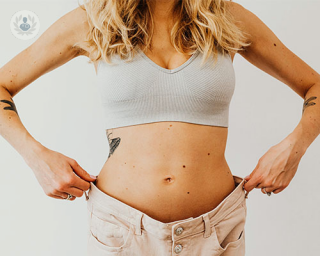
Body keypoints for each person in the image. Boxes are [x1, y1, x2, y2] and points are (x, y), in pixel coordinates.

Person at [1, 0, 319, 255]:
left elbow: (314, 86)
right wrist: (36, 157)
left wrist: (295, 146)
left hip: (216, 234)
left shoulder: (226, 17)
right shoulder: (94, 19)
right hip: (120, 234)